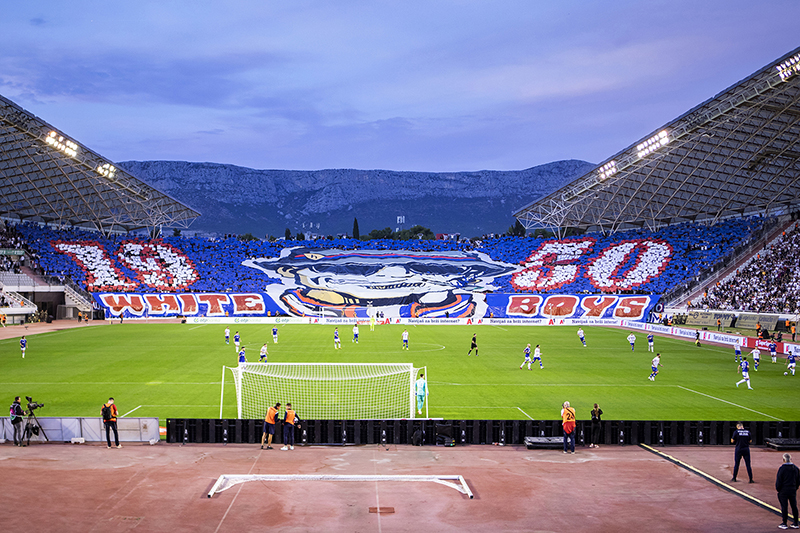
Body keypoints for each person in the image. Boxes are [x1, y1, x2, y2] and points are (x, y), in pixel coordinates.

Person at [776, 453, 800, 529]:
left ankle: (784, 523)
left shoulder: (782, 469)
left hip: (784, 490)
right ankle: (796, 522)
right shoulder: (795, 468)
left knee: (784, 506)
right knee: (794, 506)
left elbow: (779, 481)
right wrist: (795, 487)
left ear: (783, 460)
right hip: (792, 489)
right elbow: (798, 480)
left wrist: (778, 489)